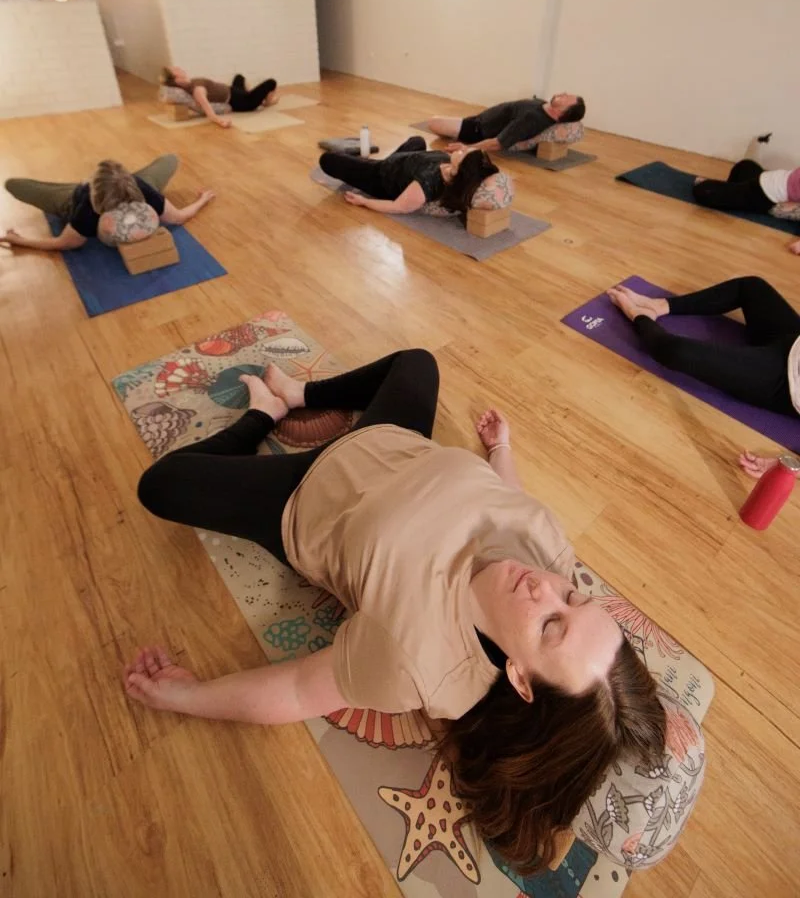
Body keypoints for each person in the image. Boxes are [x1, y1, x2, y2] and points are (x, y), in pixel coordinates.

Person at [125, 350, 666, 874]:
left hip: (301, 496)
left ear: (521, 679)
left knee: (161, 485)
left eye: (551, 624)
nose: (546, 589)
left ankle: (263, 414)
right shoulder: (551, 556)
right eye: (573, 597)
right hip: (394, 442)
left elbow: (296, 691)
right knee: (418, 362)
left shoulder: (417, 658)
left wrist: (185, 696)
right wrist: (501, 451)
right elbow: (511, 503)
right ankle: (298, 393)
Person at [607, 277, 800, 474]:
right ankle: (659, 305)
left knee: (676, 352)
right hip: (794, 341)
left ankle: (640, 315)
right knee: (751, 286)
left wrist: (791, 466)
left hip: (783, 380)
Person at [1, 156, 214, 252]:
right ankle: (88, 183)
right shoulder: (88, 203)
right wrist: (202, 200)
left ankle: (89, 182)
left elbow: (63, 243)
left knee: (13, 184)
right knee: (170, 159)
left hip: (79, 192)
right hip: (74, 195)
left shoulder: (87, 205)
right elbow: (178, 217)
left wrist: (19, 240)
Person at [318, 135, 499, 215]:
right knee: (417, 140)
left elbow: (399, 207)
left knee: (327, 159)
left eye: (464, 154)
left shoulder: (427, 184)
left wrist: (364, 202)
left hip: (380, 176)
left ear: (460, 169)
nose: (462, 149)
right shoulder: (451, 164)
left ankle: (356, 162)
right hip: (401, 161)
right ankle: (363, 161)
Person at [693, 135, 800, 251]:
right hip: (763, 186)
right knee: (742, 168)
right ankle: (725, 188)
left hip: (765, 188)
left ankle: (728, 188)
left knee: (705, 190)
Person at [426, 93, 586, 155]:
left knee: (433, 122)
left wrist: (468, 148)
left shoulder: (532, 119)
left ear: (563, 112)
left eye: (566, 98)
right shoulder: (543, 107)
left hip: (477, 129)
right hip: (479, 119)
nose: (562, 94)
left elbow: (498, 143)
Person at [160, 67, 278, 129]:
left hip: (232, 90)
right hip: (241, 102)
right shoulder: (197, 90)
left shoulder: (192, 83)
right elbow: (209, 113)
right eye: (176, 70)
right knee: (271, 82)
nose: (178, 68)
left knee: (239, 77)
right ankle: (266, 103)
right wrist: (221, 122)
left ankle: (254, 96)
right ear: (177, 79)